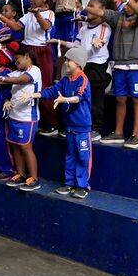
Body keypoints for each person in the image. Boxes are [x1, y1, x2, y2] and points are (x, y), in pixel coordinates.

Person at [19, 47, 92, 199]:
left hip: (82, 128)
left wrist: (64, 99)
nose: (66, 63)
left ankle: (82, 186)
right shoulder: (65, 80)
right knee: (70, 155)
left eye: (69, 60)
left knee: (83, 157)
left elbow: (79, 97)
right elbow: (51, 91)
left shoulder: (83, 79)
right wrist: (33, 95)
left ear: (78, 63)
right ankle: (70, 183)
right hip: (70, 127)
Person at [86, 0, 138, 148]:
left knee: (137, 99)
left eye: (129, 2)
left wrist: (126, 0)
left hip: (136, 66)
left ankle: (135, 135)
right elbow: (101, 12)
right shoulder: (118, 17)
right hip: (119, 65)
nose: (125, 6)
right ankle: (118, 133)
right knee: (120, 99)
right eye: (123, 2)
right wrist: (82, 7)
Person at [49, 0, 111, 140]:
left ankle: (95, 128)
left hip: (97, 66)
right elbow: (77, 45)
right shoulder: (83, 28)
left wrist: (97, 43)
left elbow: (97, 45)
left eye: (92, 6)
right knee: (75, 92)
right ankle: (74, 125)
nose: (88, 9)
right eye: (87, 5)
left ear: (101, 11)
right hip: (84, 65)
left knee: (95, 96)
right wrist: (60, 41)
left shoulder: (104, 28)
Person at [3, 0, 58, 135]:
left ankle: (52, 122)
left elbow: (46, 27)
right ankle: (35, 119)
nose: (32, 0)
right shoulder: (27, 15)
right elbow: (16, 27)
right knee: (27, 84)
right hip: (28, 49)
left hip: (42, 50)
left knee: (44, 85)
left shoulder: (49, 13)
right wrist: (3, 18)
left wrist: (37, 14)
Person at [0, 49, 41, 191]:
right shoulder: (16, 72)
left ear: (27, 56)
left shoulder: (35, 70)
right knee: (15, 145)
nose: (16, 63)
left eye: (18, 60)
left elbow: (22, 80)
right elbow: (2, 79)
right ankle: (21, 174)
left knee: (26, 147)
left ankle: (34, 178)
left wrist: (4, 79)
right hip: (14, 115)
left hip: (28, 117)